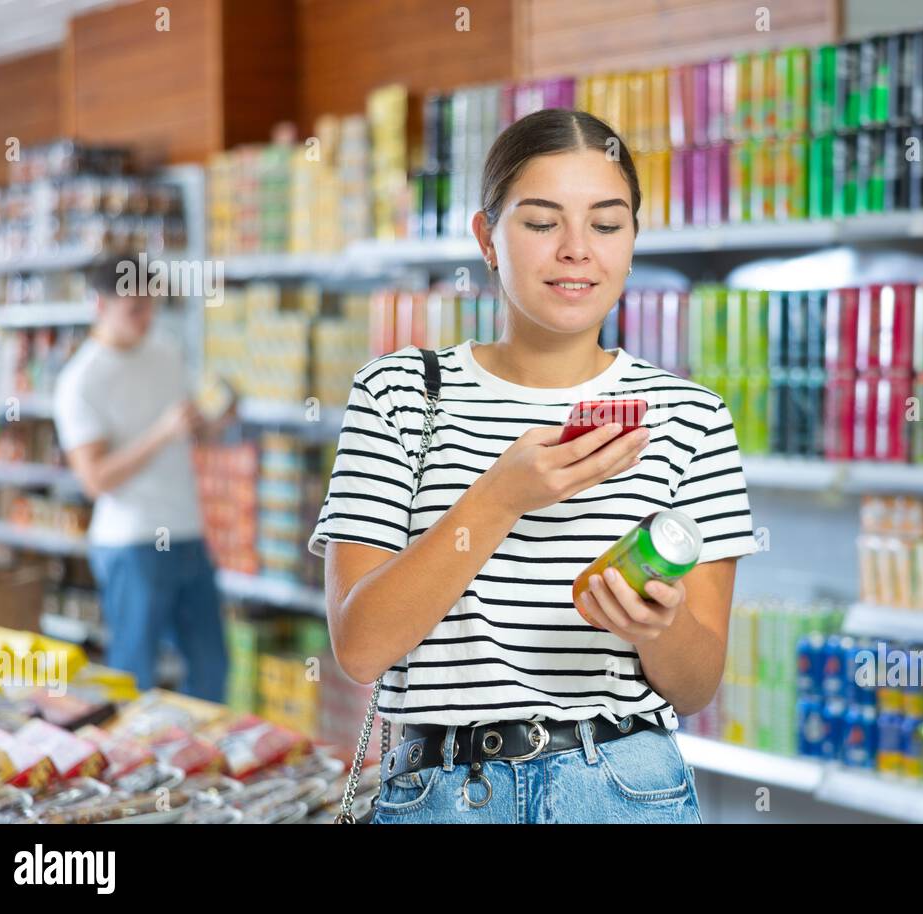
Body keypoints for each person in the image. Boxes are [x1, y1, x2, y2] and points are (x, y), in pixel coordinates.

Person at [312, 108, 760, 824]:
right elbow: (360, 648)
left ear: (633, 242)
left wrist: (657, 627)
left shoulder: (689, 415)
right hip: (442, 794)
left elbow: (697, 686)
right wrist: (500, 497)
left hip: (627, 787)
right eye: (542, 222)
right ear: (488, 238)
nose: (577, 250)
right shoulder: (400, 392)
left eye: (607, 225)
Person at [53, 263, 230, 702]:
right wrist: (161, 433)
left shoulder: (165, 351)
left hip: (187, 532)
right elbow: (94, 479)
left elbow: (190, 427)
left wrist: (214, 420)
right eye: (135, 309)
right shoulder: (80, 381)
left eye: (151, 305)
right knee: (134, 676)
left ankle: (198, 763)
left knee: (213, 667)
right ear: (99, 305)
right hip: (130, 544)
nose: (147, 317)